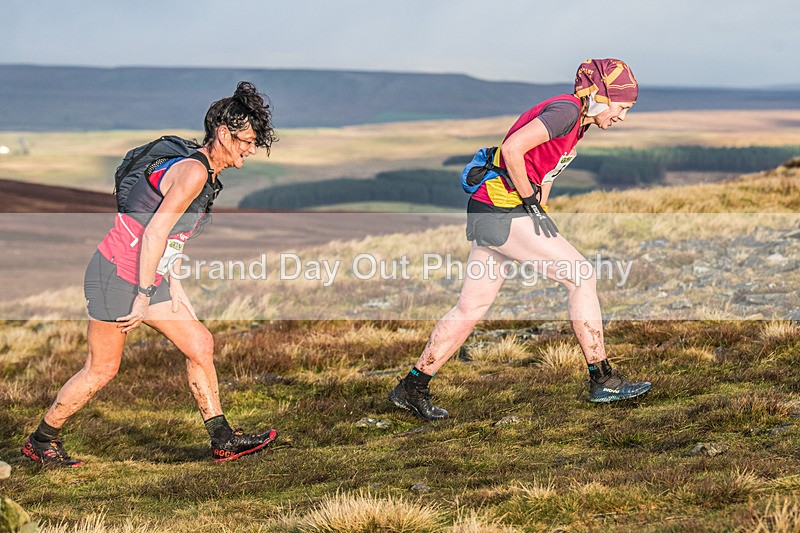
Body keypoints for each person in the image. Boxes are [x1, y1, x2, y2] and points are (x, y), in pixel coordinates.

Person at [21, 82, 280, 466]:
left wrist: (173, 285)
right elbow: (155, 231)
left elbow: (170, 236)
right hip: (117, 278)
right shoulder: (193, 171)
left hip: (144, 278)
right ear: (223, 133)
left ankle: (222, 439)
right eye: (246, 140)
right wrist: (143, 293)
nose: (251, 148)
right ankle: (41, 441)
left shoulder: (204, 172)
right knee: (101, 370)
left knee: (200, 344)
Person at [389, 59, 652, 421]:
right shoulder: (566, 110)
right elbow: (512, 149)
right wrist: (530, 203)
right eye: (622, 107)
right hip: (502, 210)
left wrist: (540, 207)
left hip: (491, 208)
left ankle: (411, 387)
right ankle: (602, 378)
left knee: (472, 307)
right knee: (581, 276)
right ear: (600, 94)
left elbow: (542, 168)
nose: (622, 116)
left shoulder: (577, 123)